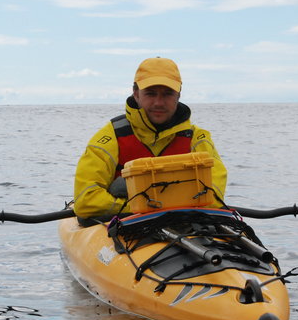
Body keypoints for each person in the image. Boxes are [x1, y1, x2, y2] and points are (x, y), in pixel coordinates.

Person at [73, 57, 227, 220]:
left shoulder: (198, 139)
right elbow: (85, 201)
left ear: (178, 95)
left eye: (167, 94)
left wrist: (162, 208)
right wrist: (141, 207)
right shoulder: (109, 137)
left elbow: (214, 198)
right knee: (120, 187)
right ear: (136, 94)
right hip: (127, 225)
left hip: (185, 224)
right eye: (151, 94)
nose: (159, 102)